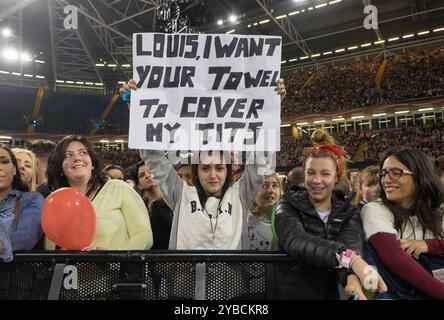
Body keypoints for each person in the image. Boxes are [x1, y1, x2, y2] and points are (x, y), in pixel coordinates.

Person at [274, 129, 387, 300]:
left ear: (336, 177)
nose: (317, 180)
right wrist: (353, 261)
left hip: (330, 294)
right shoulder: (287, 204)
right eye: (311, 173)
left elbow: (350, 245)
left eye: (325, 173)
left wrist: (350, 279)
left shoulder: (349, 209)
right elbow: (296, 240)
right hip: (291, 293)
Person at [361, 147, 444, 299]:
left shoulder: (437, 211)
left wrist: (429, 245)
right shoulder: (374, 209)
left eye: (396, 172)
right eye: (384, 173)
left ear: (420, 176)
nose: (385, 180)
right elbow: (394, 258)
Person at [46, 135, 153, 250]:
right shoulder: (55, 202)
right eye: (68, 155)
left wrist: (112, 256)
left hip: (118, 266)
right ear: (60, 167)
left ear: (92, 164)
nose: (77, 158)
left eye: (83, 153)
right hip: (74, 267)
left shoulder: (118, 188)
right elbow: (51, 247)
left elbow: (143, 235)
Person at [0, 146, 43, 262]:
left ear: (14, 170)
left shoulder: (31, 199)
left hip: (13, 276)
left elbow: (27, 236)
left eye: (4, 162)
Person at [130, 160, 172, 250]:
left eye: (151, 172)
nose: (148, 176)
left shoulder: (173, 202)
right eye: (142, 175)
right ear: (139, 185)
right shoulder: (138, 207)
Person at [248, 173, 281, 250]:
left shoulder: (287, 219)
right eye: (264, 185)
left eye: (274, 185)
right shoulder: (242, 220)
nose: (270, 190)